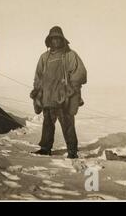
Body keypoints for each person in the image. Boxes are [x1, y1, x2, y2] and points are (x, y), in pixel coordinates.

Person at [30, 26, 87, 159]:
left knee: (68, 125)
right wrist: (37, 90)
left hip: (64, 97)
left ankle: (72, 151)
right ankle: (45, 148)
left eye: (58, 38)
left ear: (62, 40)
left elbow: (80, 73)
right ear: (49, 41)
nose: (55, 41)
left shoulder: (70, 55)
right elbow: (38, 76)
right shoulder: (44, 57)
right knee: (48, 124)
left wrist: (71, 87)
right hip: (47, 97)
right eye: (53, 39)